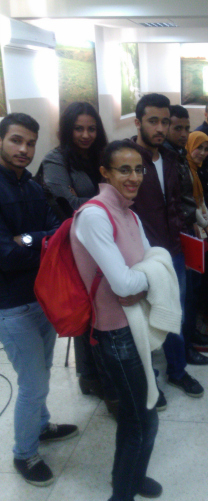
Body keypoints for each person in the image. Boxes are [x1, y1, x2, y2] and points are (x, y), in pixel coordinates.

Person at [71, 140, 164, 501]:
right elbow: (126, 283)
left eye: (139, 169)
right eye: (124, 169)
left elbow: (149, 260)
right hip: (115, 333)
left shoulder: (129, 213)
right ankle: (120, 500)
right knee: (141, 419)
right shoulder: (95, 216)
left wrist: (145, 276)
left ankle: (133, 478)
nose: (134, 177)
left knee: (139, 414)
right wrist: (150, 277)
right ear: (105, 173)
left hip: (135, 322)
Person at [0, 113, 78, 487]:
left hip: (42, 296)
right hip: (11, 305)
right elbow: (4, 255)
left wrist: (29, 239)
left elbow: (58, 233)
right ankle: (24, 454)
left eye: (30, 142)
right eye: (16, 140)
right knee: (33, 383)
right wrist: (40, 243)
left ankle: (42, 425)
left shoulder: (32, 187)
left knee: (42, 372)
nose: (24, 149)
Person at [129, 93, 204, 401]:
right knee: (142, 319)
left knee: (175, 312)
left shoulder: (171, 159)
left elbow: (177, 203)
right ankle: (148, 381)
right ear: (138, 123)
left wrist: (186, 234)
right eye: (153, 121)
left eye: (164, 122)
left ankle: (178, 370)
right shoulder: (127, 160)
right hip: (140, 254)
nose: (160, 128)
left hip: (172, 249)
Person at [41, 101, 113, 407]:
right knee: (89, 309)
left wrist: (92, 200)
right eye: (78, 128)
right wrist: (108, 200)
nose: (85, 135)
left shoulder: (102, 155)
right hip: (76, 245)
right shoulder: (55, 159)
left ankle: (107, 370)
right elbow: (67, 205)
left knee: (107, 306)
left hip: (106, 240)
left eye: (91, 128)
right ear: (67, 129)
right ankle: (90, 376)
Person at [164, 105, 208, 355]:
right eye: (178, 128)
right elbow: (181, 202)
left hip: (192, 231)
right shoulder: (173, 162)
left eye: (187, 128)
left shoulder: (184, 162)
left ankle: (191, 334)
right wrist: (204, 224)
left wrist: (207, 223)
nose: (184, 134)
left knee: (194, 288)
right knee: (183, 294)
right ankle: (185, 346)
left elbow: (197, 200)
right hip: (181, 235)